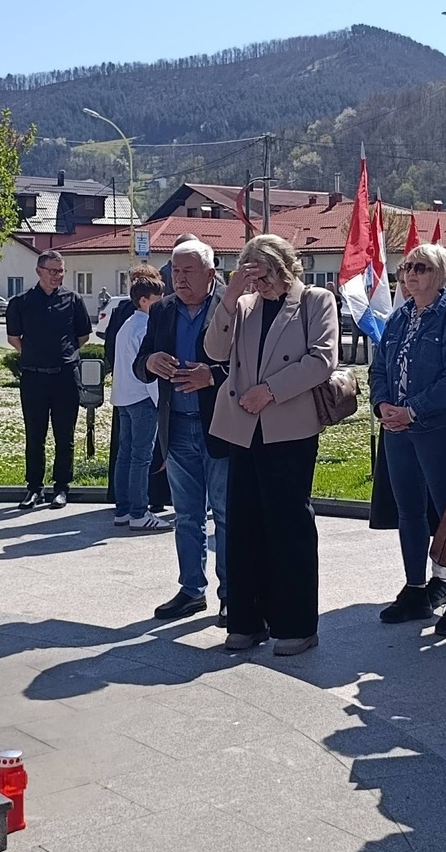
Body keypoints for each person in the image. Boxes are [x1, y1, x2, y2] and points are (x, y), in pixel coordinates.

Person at [203, 234, 338, 656]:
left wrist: (271, 391)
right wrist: (230, 298)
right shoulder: (243, 305)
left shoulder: (316, 301)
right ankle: (246, 621)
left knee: (289, 527)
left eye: (264, 276)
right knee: (242, 525)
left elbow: (322, 360)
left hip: (289, 428)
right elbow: (214, 350)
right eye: (252, 277)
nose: (259, 285)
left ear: (283, 268)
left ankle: (298, 626)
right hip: (243, 427)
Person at [372, 243, 446, 636]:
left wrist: (412, 410)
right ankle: (416, 589)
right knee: (409, 512)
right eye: (407, 268)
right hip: (398, 432)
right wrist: (383, 405)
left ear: (441, 275)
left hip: (436, 432)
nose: (410, 275)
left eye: (421, 268)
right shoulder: (399, 317)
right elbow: (378, 368)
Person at [135, 238, 233, 618]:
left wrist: (213, 376)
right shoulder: (162, 310)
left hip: (219, 427)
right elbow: (140, 361)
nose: (179, 278)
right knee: (187, 515)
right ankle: (192, 589)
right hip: (175, 426)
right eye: (175, 270)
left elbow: (248, 365)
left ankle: (232, 595)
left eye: (188, 270)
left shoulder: (233, 305)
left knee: (225, 515)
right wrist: (150, 362)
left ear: (211, 273)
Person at [4, 249, 92, 510]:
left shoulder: (73, 300)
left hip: (65, 376)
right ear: (38, 271)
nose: (57, 275)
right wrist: (35, 355)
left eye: (61, 271)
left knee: (64, 436)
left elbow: (83, 336)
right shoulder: (21, 302)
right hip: (34, 377)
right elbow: (14, 338)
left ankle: (62, 487)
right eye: (52, 271)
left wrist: (62, 355)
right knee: (35, 435)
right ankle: (34, 488)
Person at [108, 268, 167, 530]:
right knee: (141, 458)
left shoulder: (127, 325)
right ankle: (139, 513)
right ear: (144, 300)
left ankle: (123, 510)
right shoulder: (144, 327)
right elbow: (149, 372)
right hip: (143, 398)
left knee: (125, 455)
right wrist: (160, 403)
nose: (161, 304)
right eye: (157, 300)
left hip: (124, 397)